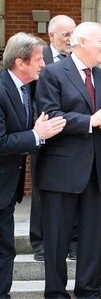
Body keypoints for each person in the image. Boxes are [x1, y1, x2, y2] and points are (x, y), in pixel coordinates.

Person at [35, 22, 101, 298]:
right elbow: (49, 114)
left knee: (92, 238)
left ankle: (89, 290)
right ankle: (56, 292)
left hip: (95, 170)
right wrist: (89, 121)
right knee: (58, 239)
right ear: (82, 41)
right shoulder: (52, 73)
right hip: (61, 171)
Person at [0, 32, 66, 299]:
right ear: (20, 62)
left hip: (7, 190)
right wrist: (37, 135)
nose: (43, 64)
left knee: (6, 249)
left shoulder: (24, 88)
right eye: (38, 59)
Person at [29, 14, 77, 262]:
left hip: (72, 139)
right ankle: (40, 243)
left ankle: (71, 242)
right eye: (66, 34)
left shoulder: (77, 62)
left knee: (72, 191)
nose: (71, 39)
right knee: (41, 191)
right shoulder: (39, 60)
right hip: (44, 136)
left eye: (73, 33)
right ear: (51, 35)